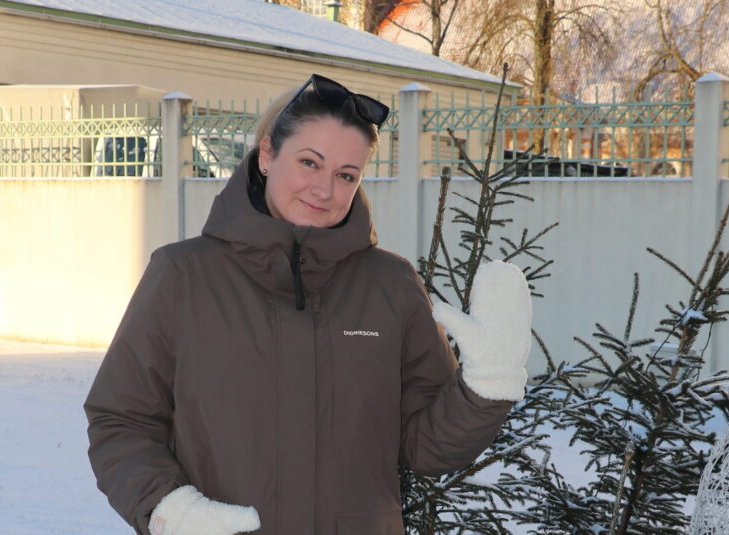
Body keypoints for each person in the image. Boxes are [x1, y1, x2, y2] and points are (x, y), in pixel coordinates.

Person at [84, 74, 533, 535]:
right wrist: (170, 509)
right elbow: (120, 420)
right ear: (266, 155)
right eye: (309, 163)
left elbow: (426, 449)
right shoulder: (182, 276)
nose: (325, 190)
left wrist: (486, 387)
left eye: (345, 175)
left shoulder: (391, 285)